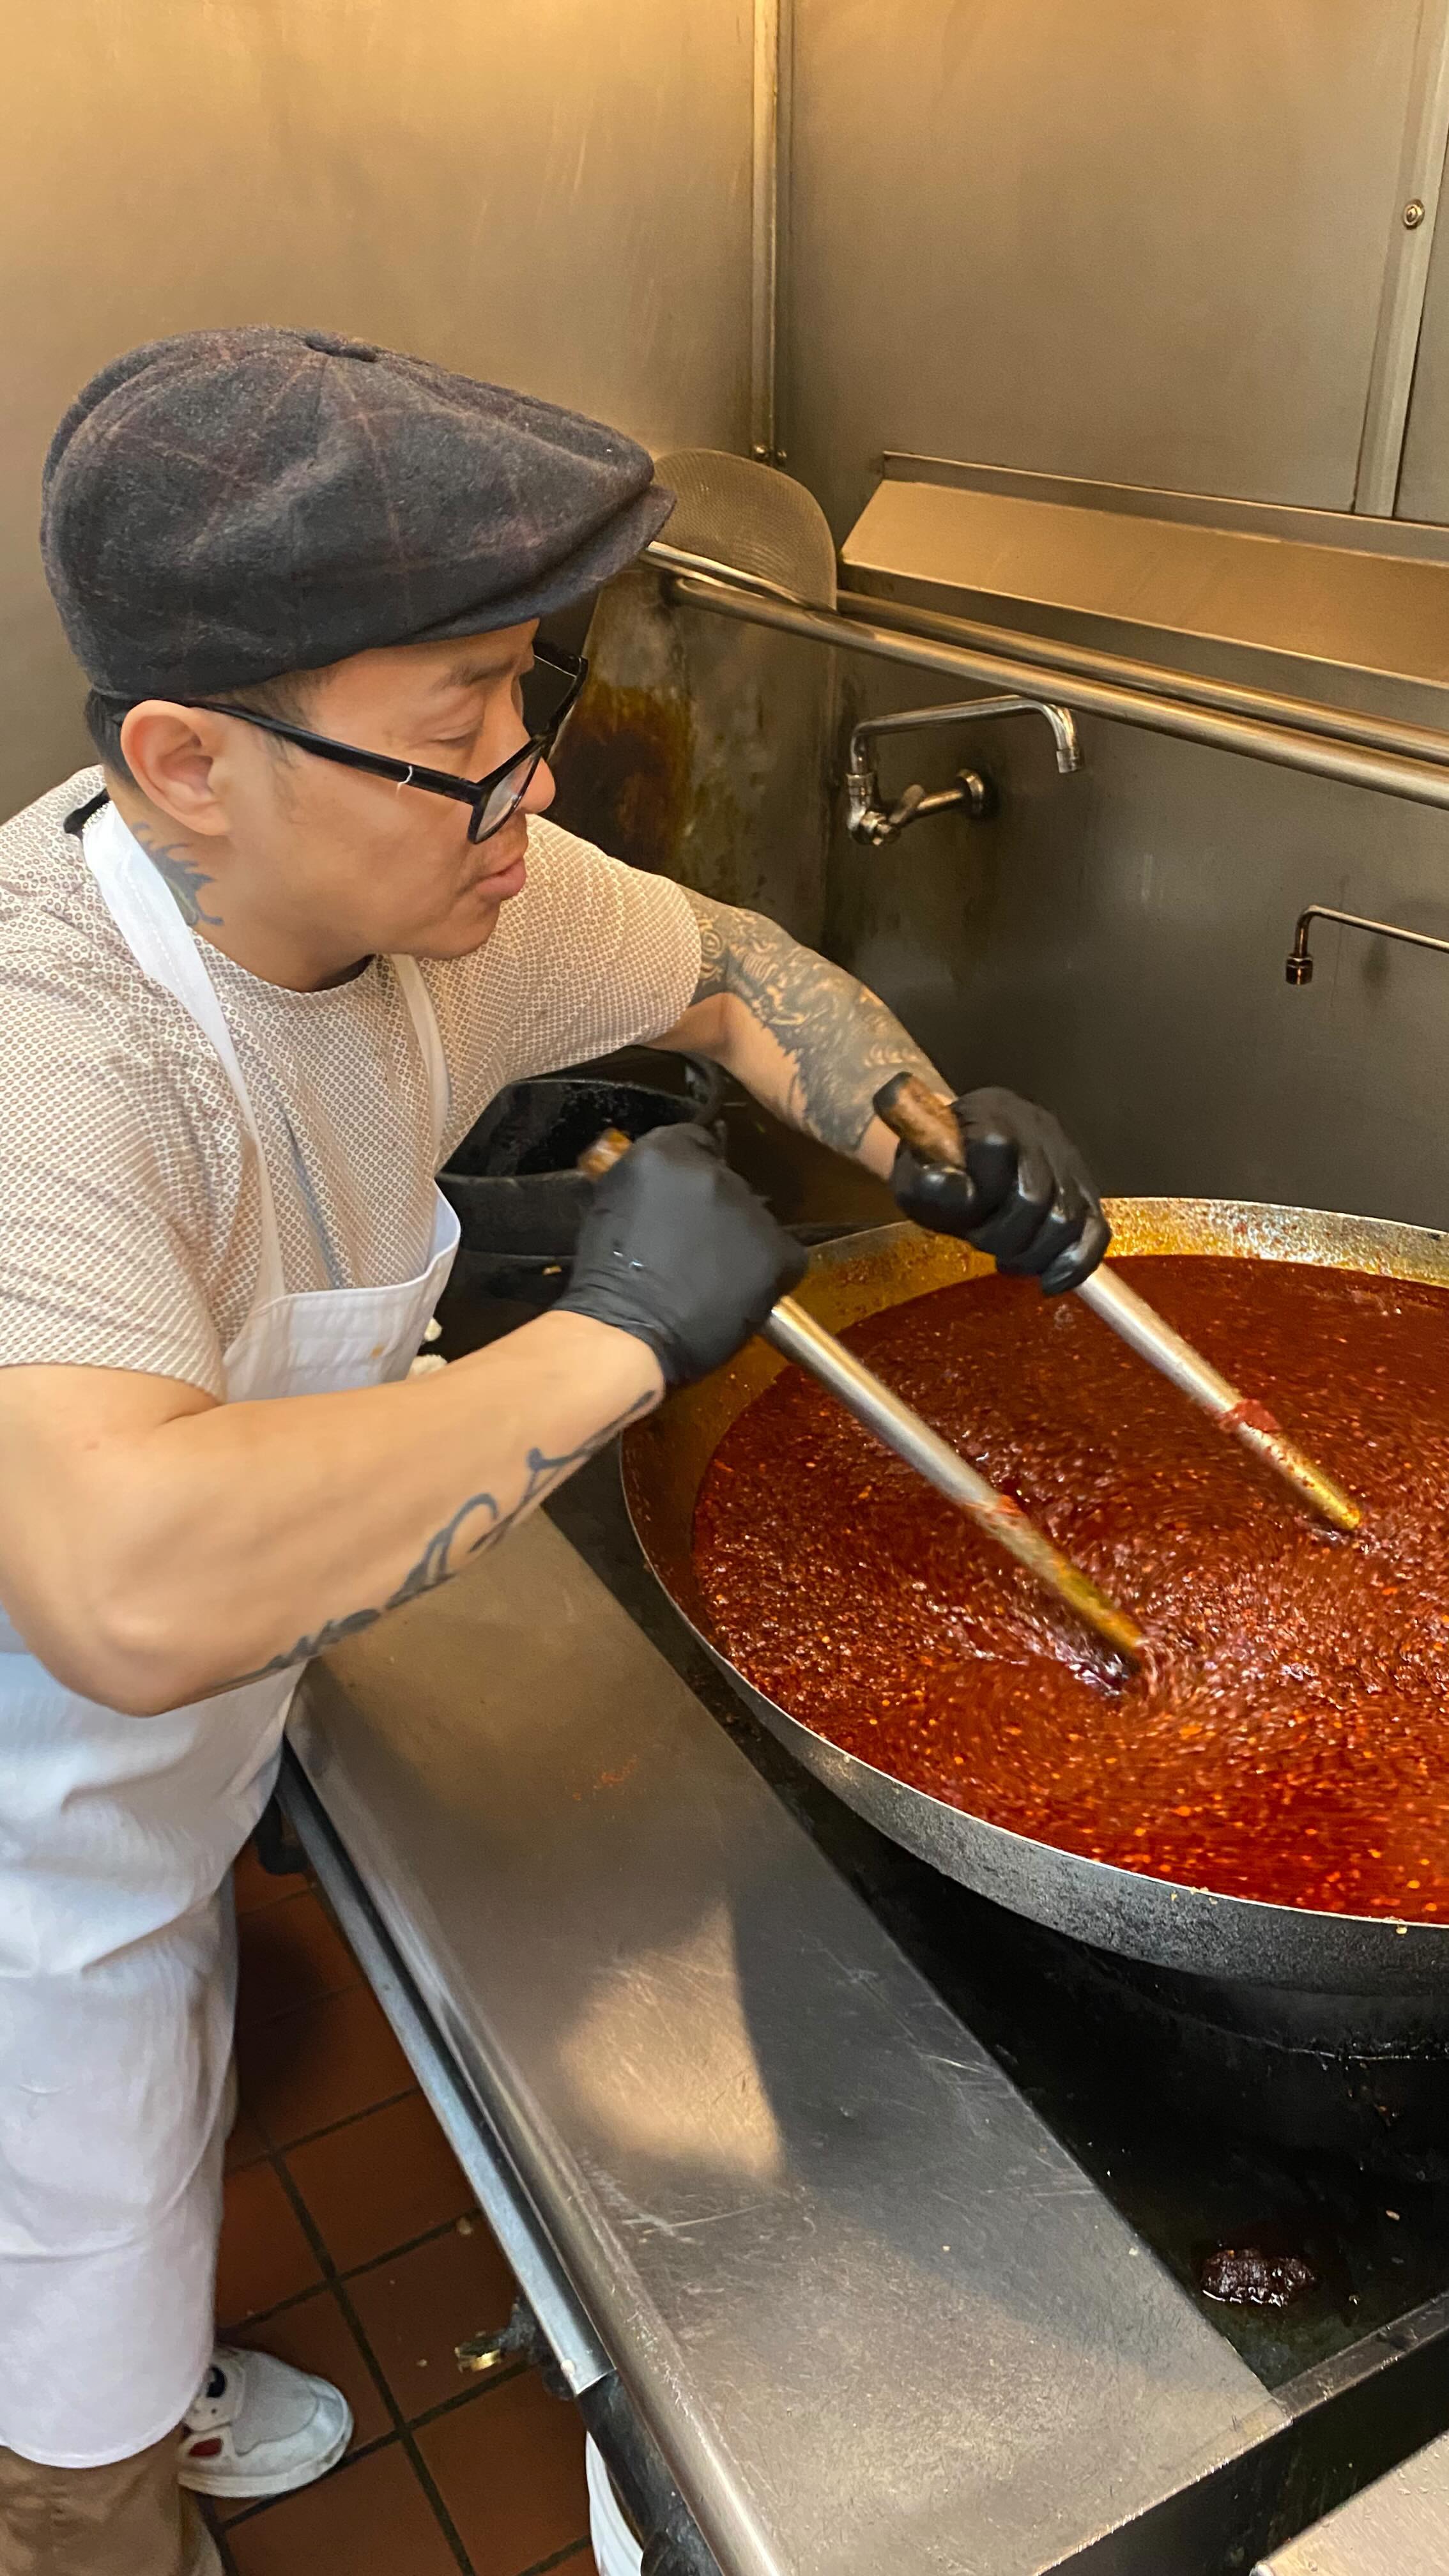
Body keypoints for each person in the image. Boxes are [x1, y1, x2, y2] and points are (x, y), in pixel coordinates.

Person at [0, 326, 1108, 2575]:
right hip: (23, 1861)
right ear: (187, 761)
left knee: (143, 2135)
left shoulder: (421, 903)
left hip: (156, 1786)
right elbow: (118, 1588)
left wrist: (915, 1137)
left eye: (529, 696)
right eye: (457, 733)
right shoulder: (58, 1054)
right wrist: (614, 1335)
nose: (530, 779)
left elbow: (725, 971)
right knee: (68, 2335)